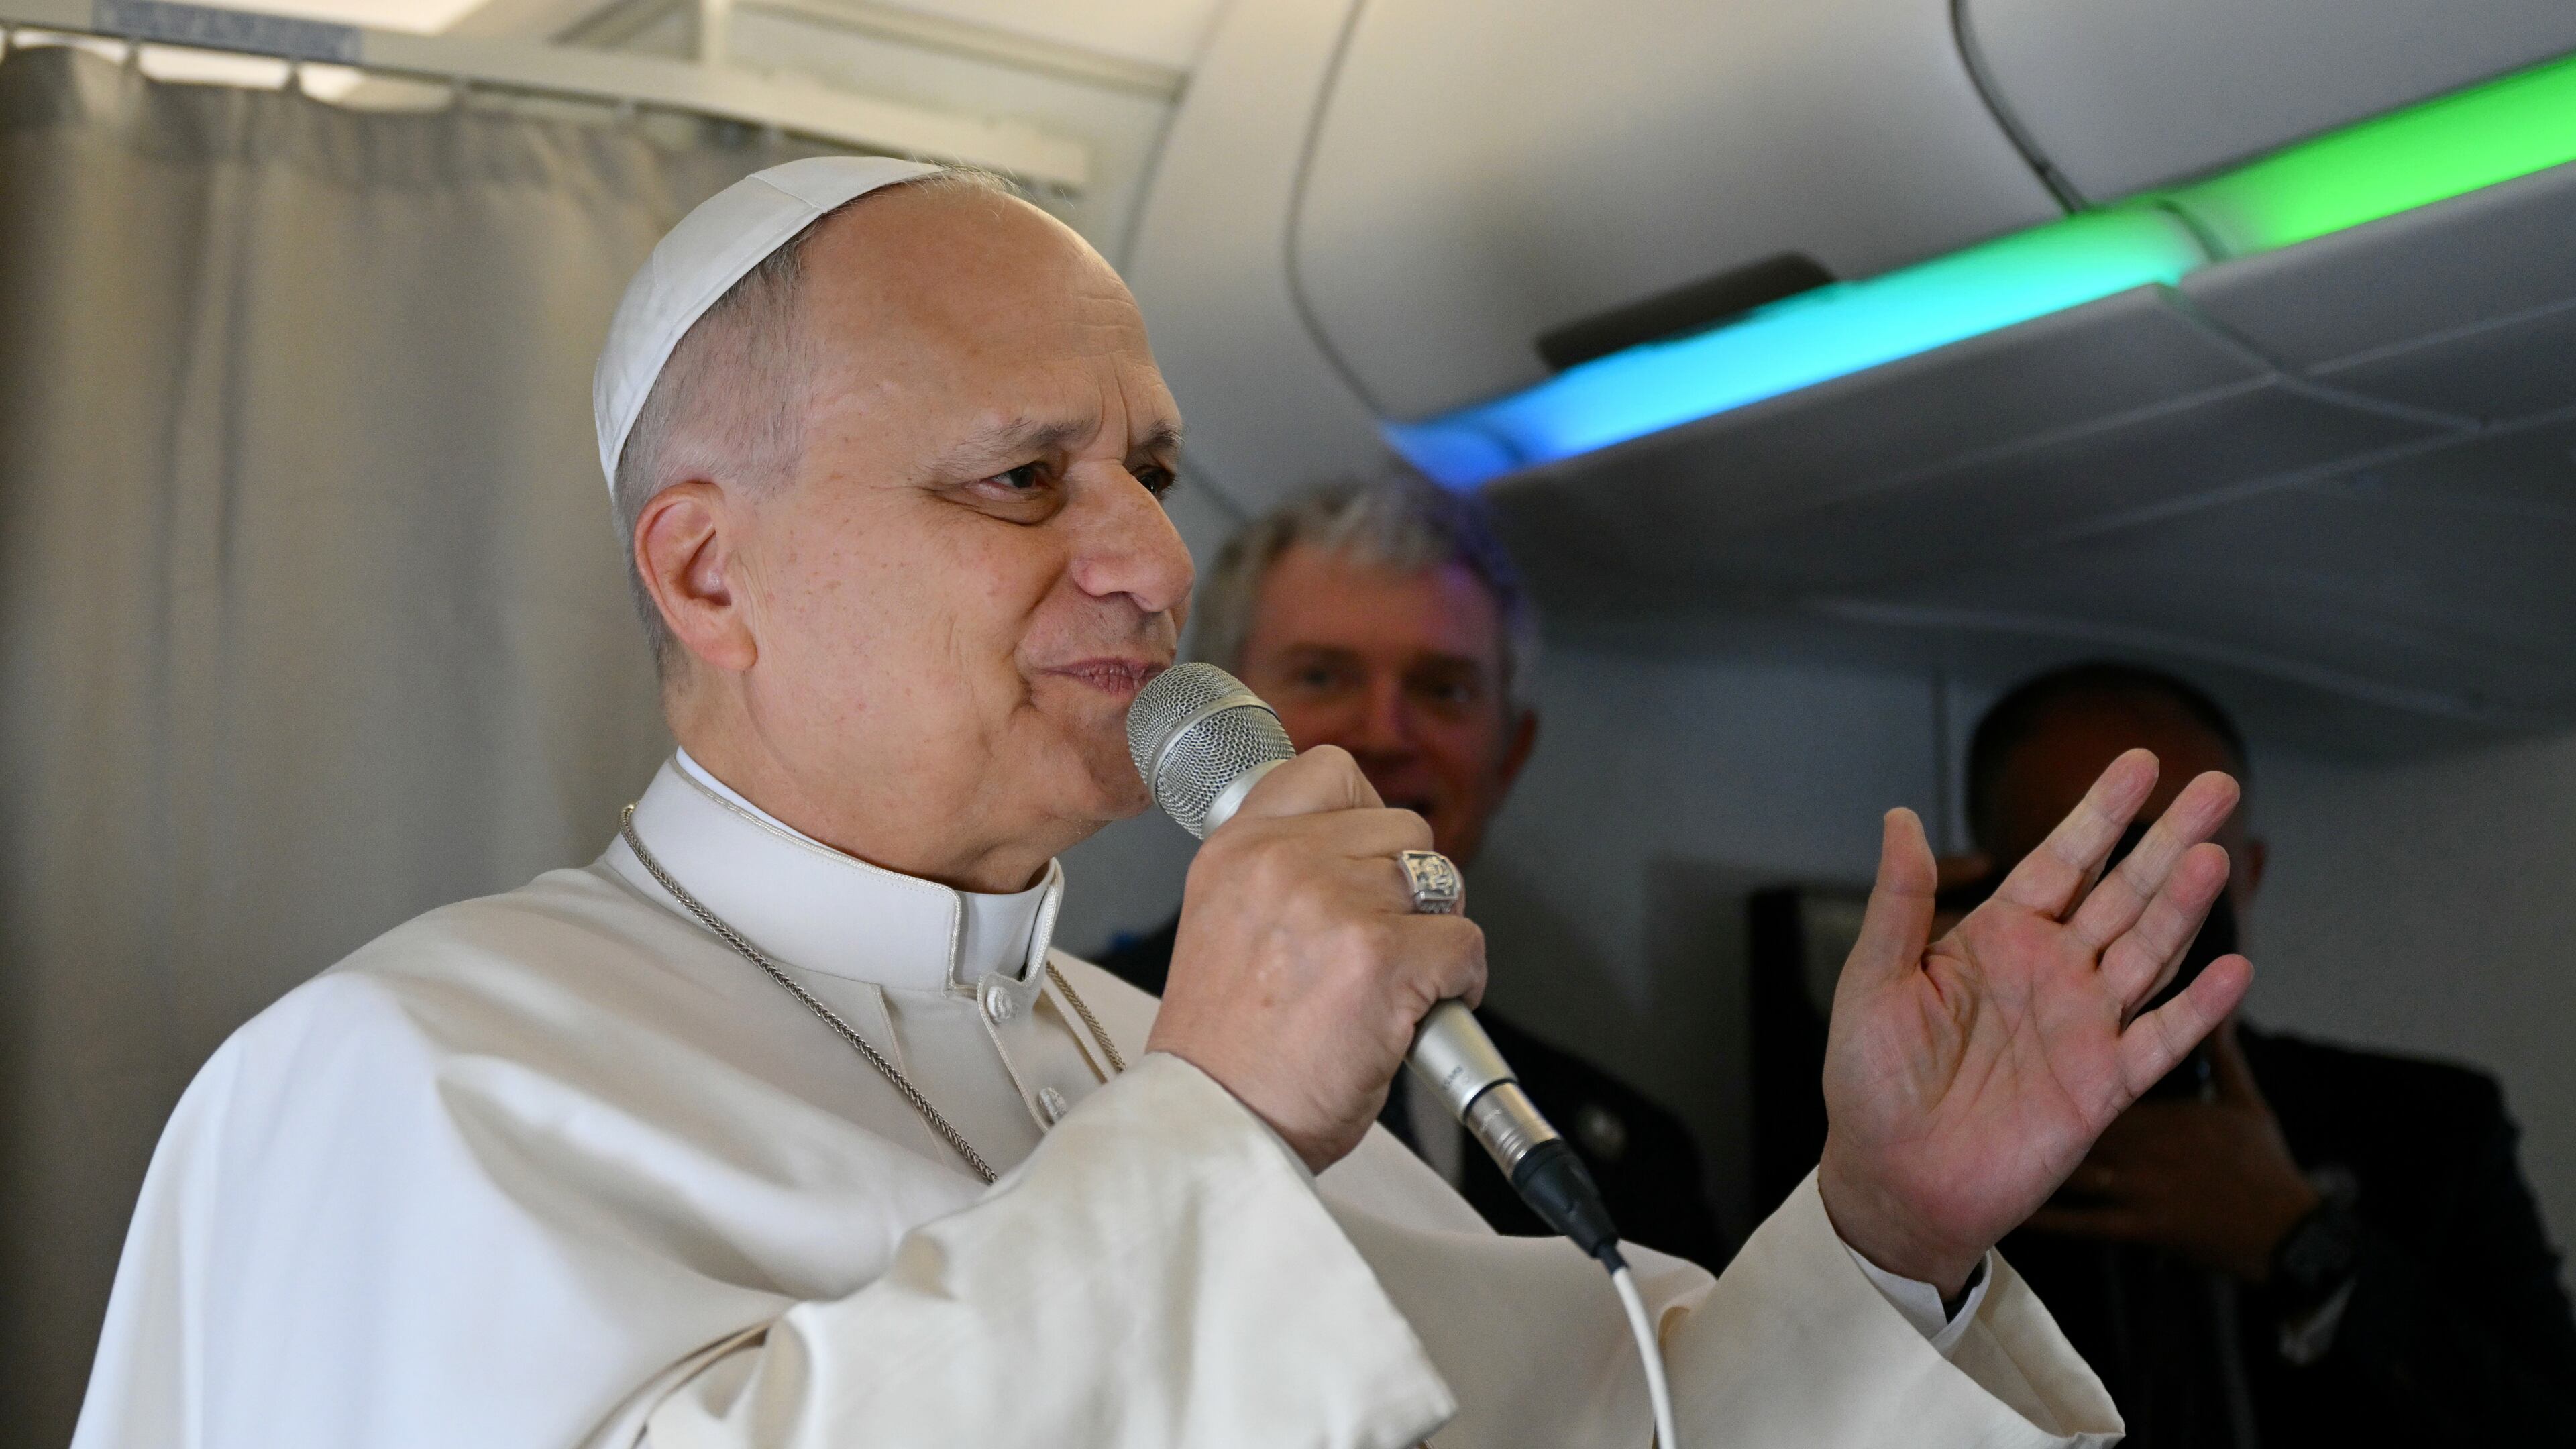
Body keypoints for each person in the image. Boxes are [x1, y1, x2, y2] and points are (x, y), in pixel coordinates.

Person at [71, 157, 2255, 1448]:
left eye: (1150, 470)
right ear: (710, 569)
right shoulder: (398, 1084)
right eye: (1024, 476)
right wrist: (1207, 1131)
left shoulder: (1154, 1061)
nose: (1142, 559)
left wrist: (1890, 1223)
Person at [1098, 478, 1726, 1266]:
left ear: (1511, 753)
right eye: (1323, 675)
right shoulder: (1080, 1051)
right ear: (1220, 714)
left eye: (1443, 689)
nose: (1384, 733)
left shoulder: (1625, 1159)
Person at [1962, 662, 2576, 1446]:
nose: (2144, 917)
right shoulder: (1915, 1151)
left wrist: (2298, 1241)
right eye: (2096, 871)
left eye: (2186, 872)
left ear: (2246, 876)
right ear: (1995, 891)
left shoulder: (2430, 1131)